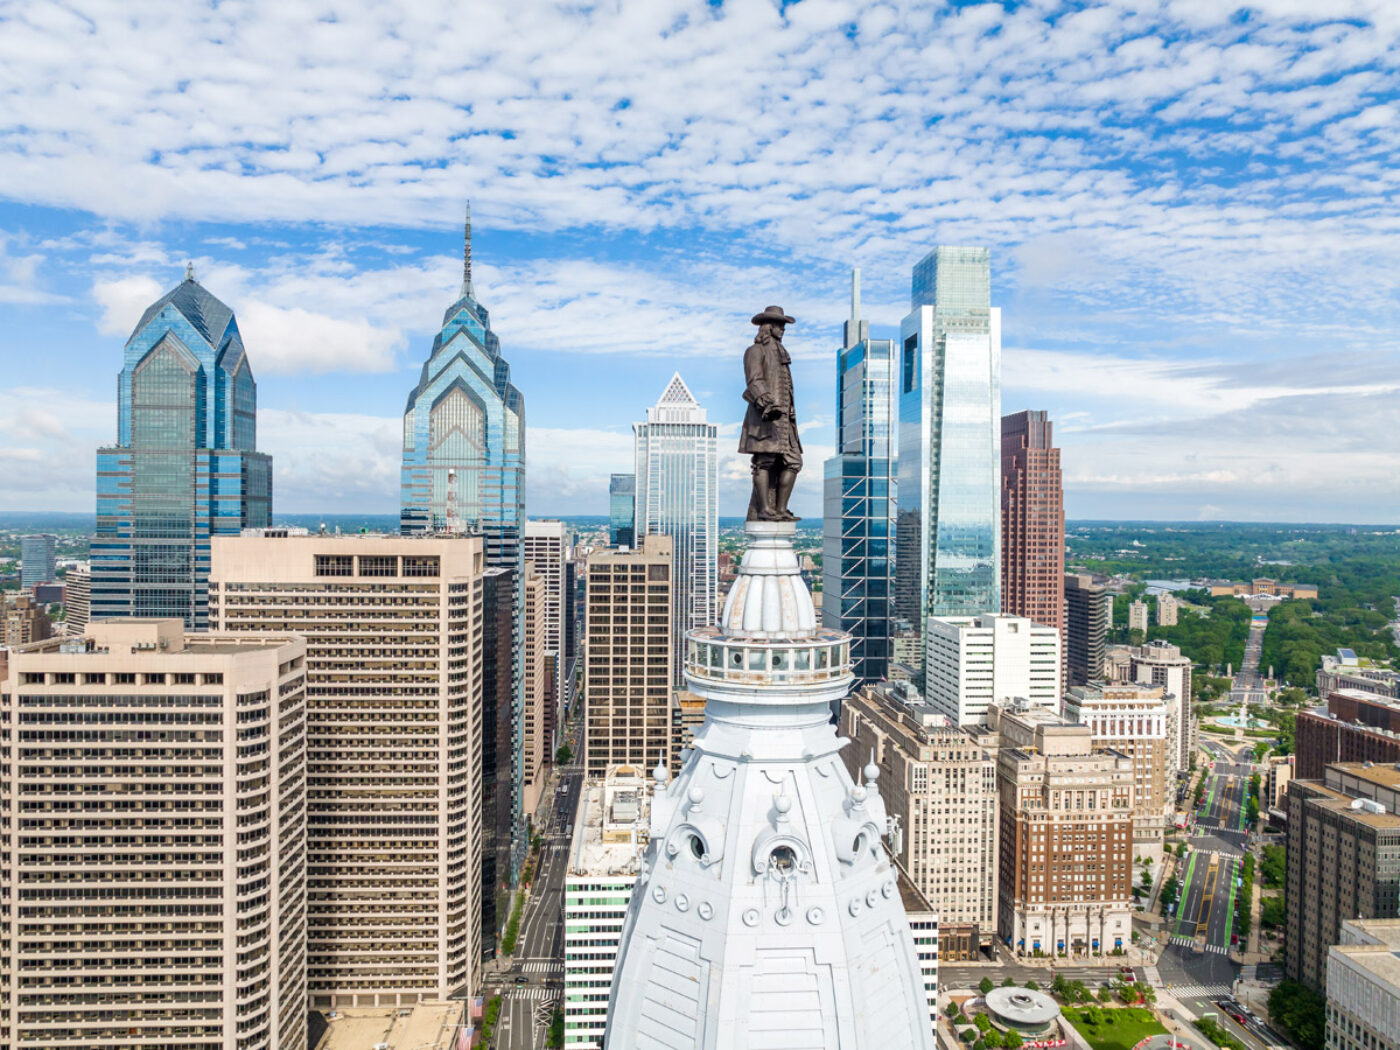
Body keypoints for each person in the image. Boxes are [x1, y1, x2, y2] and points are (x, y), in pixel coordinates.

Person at [739, 304, 803, 521]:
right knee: (764, 461)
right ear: (769, 326)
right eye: (779, 325)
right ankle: (765, 509)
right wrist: (767, 403)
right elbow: (754, 380)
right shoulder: (755, 351)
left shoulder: (782, 355)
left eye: (783, 325)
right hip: (765, 417)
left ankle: (781, 509)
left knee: (794, 462)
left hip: (786, 422)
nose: (782, 329)